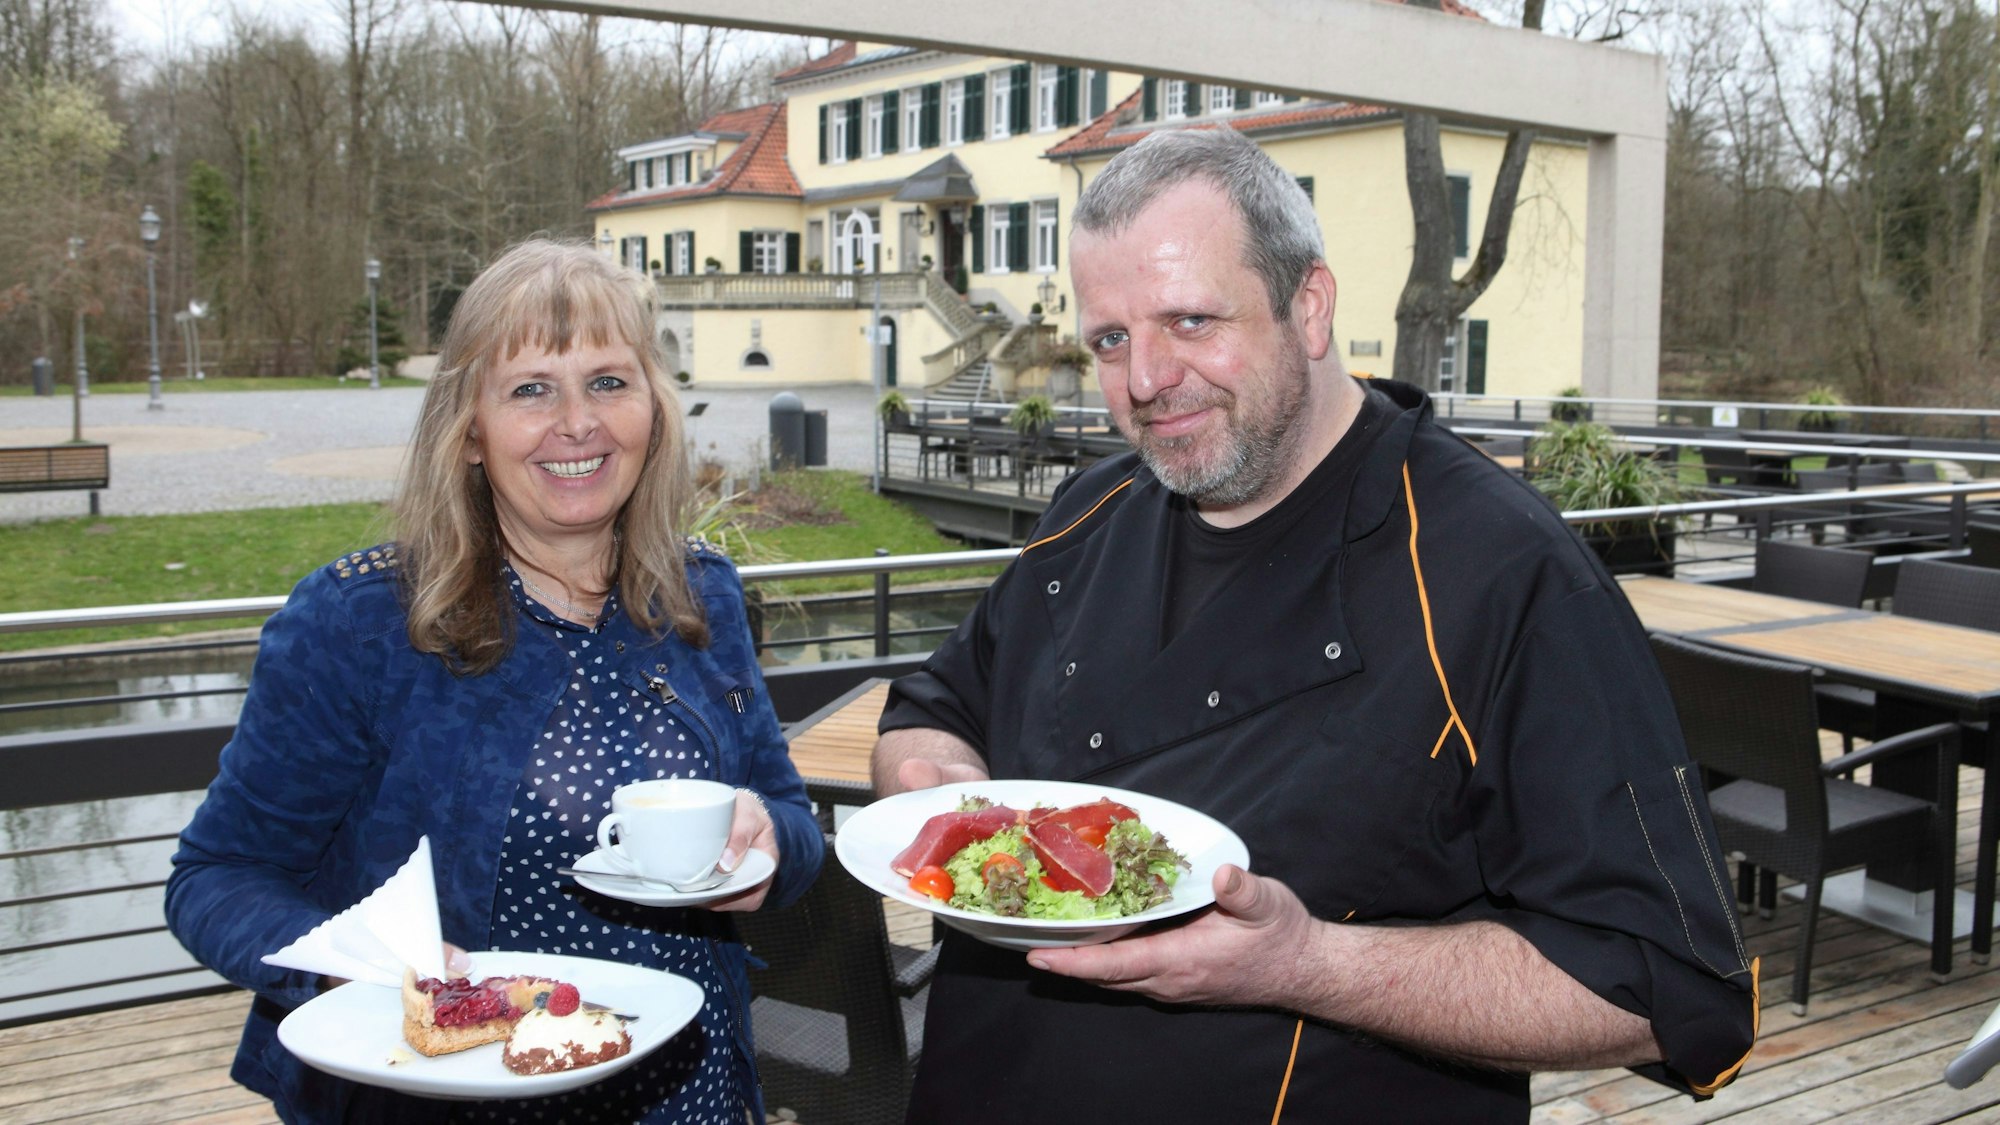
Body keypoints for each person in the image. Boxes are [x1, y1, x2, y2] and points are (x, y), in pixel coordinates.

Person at [873, 129, 1758, 1122]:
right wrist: (937, 795)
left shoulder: (1501, 574)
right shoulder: (1087, 513)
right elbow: (931, 704)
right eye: (1110, 339)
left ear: (1308, 307)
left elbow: (1661, 986)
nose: (1144, 380)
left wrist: (1310, 964)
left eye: (1190, 321)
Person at [166, 239, 823, 1124]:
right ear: (469, 429)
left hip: (688, 1093)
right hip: (448, 1100)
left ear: (653, 410)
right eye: (529, 390)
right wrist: (355, 961)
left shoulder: (702, 593)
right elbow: (217, 875)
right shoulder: (364, 620)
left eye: (608, 382)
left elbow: (787, 814)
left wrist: (771, 845)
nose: (578, 422)